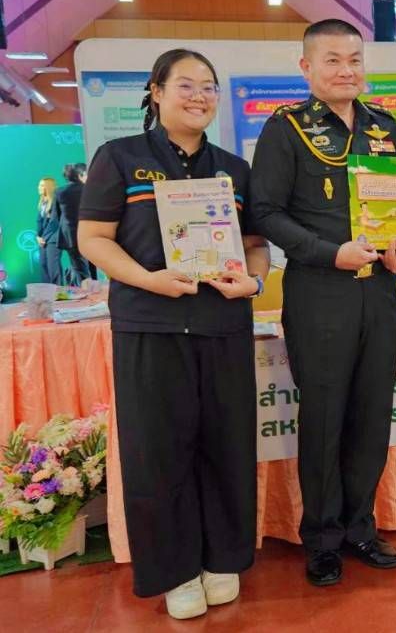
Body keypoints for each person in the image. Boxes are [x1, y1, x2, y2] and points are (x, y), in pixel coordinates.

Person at [77, 49, 269, 620]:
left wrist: (254, 282)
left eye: (209, 87)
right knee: (158, 452)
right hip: (151, 326)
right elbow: (93, 238)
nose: (199, 96)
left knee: (227, 445)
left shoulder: (233, 169)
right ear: (156, 92)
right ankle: (176, 571)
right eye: (186, 85)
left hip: (222, 326)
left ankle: (223, 559)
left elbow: (255, 245)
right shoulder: (120, 158)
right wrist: (149, 280)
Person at [250, 19, 396, 587]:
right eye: (333, 60)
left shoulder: (384, 126)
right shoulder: (286, 128)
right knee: (323, 418)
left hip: (380, 291)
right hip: (319, 291)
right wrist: (328, 253)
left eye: (355, 59)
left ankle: (360, 528)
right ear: (306, 67)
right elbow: (265, 212)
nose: (347, 70)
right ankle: (321, 539)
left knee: (372, 414)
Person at [55, 163, 91, 284]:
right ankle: (90, 287)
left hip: (69, 234)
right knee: (89, 264)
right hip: (88, 231)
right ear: (80, 175)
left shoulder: (59, 192)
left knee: (78, 265)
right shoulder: (88, 189)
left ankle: (84, 286)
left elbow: (57, 215)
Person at [36, 177, 62, 284]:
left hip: (53, 238)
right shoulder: (42, 202)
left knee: (53, 267)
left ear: (48, 187)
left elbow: (54, 222)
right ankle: (47, 290)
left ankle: (58, 290)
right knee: (43, 264)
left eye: (42, 185)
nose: (39, 187)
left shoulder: (55, 201)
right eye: (39, 185)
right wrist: (38, 236)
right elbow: (39, 221)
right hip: (43, 239)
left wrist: (44, 238)